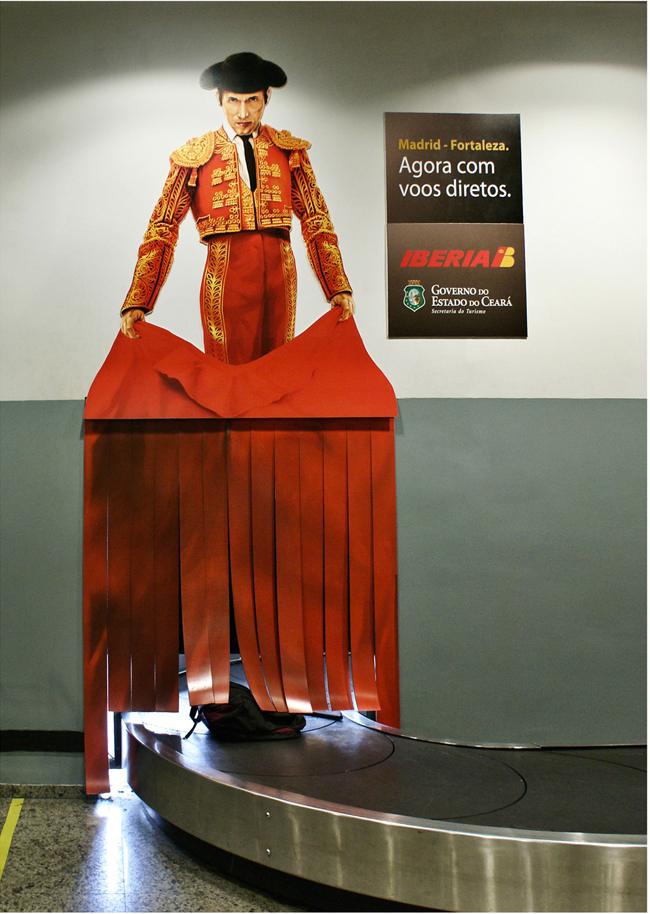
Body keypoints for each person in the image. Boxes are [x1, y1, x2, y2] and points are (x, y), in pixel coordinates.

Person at [119, 52, 355, 363]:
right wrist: (139, 298)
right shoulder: (196, 155)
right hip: (225, 278)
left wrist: (337, 286)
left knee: (277, 371)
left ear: (266, 97)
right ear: (220, 99)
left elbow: (316, 219)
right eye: (233, 101)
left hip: (280, 278)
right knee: (228, 373)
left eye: (252, 100)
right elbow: (163, 226)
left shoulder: (288, 150)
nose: (242, 112)